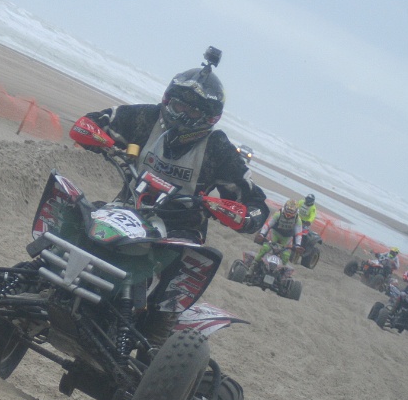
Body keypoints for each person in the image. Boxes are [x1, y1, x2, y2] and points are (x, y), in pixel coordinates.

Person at [79, 47, 269, 345]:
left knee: (173, 287)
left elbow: (256, 204)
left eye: (193, 111)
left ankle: (152, 342)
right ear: (169, 98)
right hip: (127, 208)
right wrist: (92, 134)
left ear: (209, 116)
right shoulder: (146, 117)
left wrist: (238, 214)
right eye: (179, 105)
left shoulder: (218, 149)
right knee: (81, 218)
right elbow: (94, 120)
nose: (183, 114)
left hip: (181, 231)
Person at [253, 199, 303, 264]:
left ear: (296, 211)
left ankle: (281, 272)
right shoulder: (278, 214)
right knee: (266, 248)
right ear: (285, 208)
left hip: (287, 238)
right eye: (288, 210)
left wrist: (298, 245)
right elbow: (268, 224)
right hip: (275, 233)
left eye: (291, 211)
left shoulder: (298, 220)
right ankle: (254, 263)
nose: (289, 213)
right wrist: (262, 234)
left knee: (285, 256)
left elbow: (298, 233)